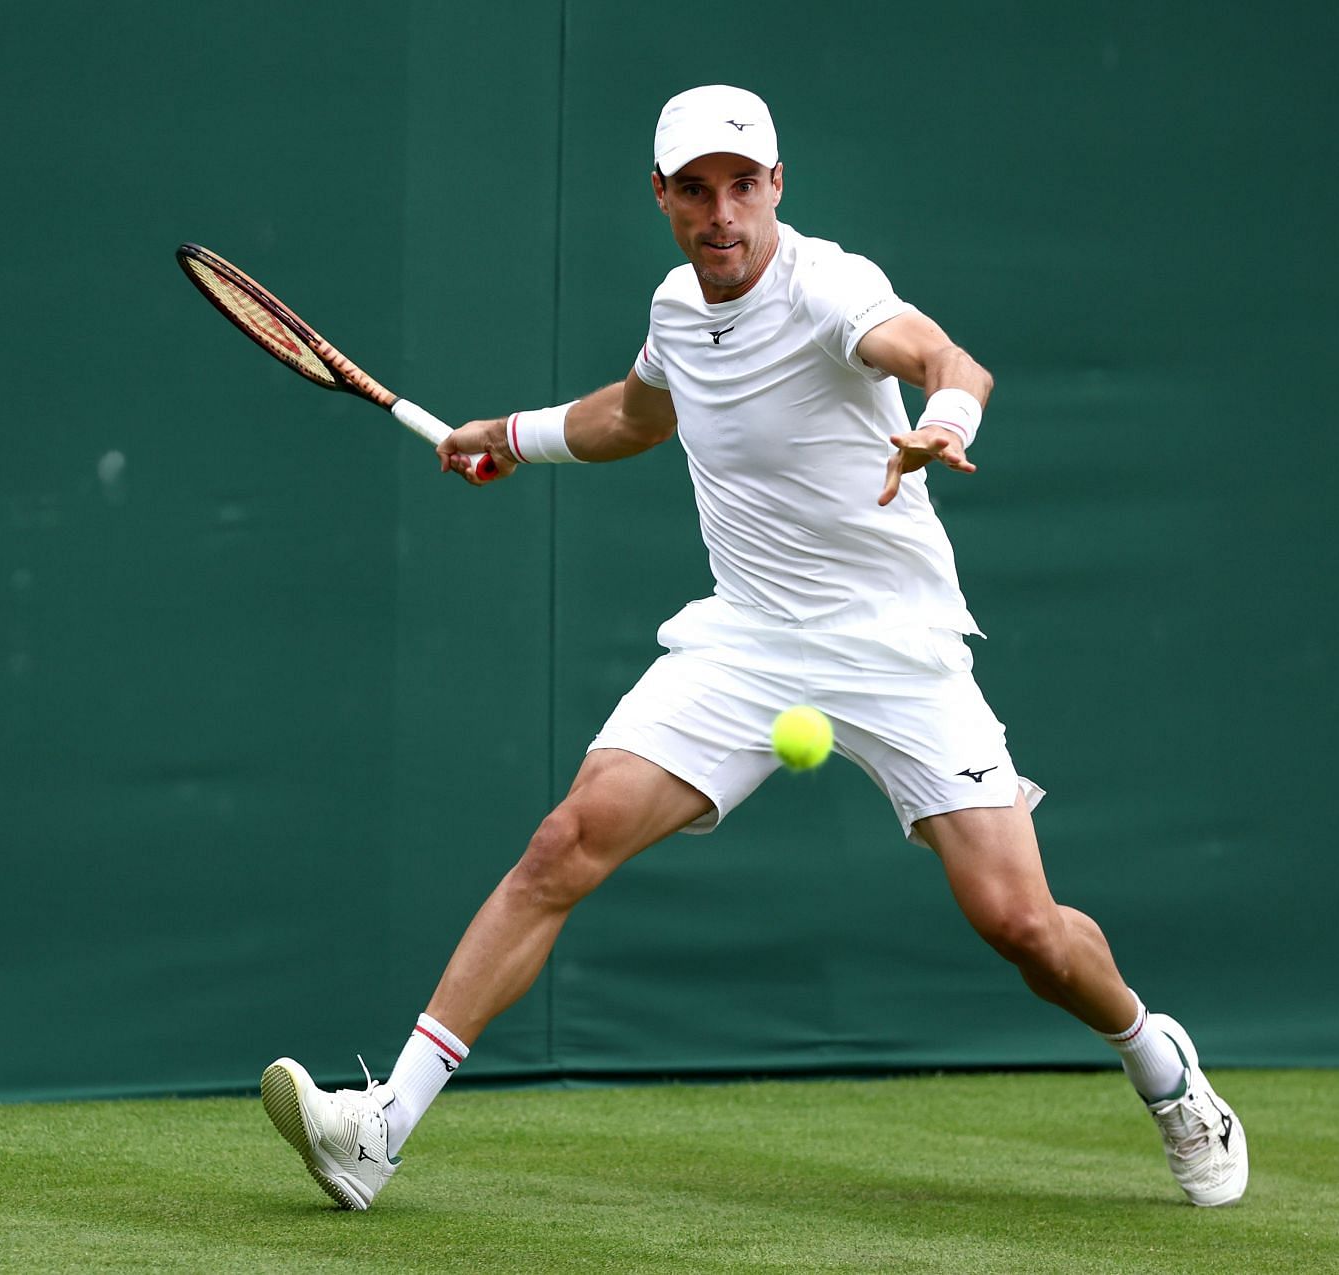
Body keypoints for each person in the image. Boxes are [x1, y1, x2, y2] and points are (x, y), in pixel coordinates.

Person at [260, 84, 1247, 1211]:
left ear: (777, 187)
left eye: (742, 185)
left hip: (896, 651)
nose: (720, 212)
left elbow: (945, 360)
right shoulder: (678, 307)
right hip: (747, 644)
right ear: (663, 198)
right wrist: (512, 441)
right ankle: (378, 1128)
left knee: (1023, 928)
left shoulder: (831, 288)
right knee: (561, 845)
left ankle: (1166, 1074)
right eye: (695, 189)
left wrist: (943, 424)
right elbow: (637, 415)